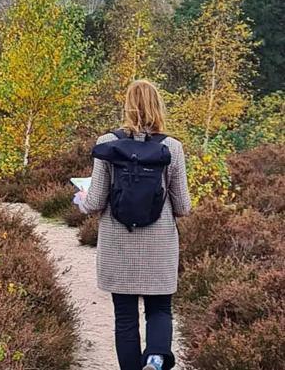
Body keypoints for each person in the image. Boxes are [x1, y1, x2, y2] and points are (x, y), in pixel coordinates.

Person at [76, 80, 192, 370]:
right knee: (160, 309)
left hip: (118, 242)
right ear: (158, 106)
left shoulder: (107, 144)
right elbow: (183, 207)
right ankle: (154, 358)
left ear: (127, 105)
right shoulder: (173, 148)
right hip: (160, 243)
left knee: (125, 317)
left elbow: (95, 202)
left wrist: (81, 198)